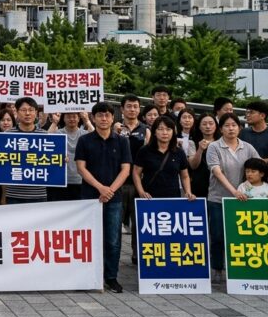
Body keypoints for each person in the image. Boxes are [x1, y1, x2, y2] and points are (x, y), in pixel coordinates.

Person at [206, 112, 268, 284]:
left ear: (240, 128)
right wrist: (234, 191)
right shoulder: (214, 147)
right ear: (220, 129)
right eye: (227, 126)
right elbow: (217, 172)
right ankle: (217, 268)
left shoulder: (248, 147)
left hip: (245, 200)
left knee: (241, 236)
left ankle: (241, 268)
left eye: (234, 125)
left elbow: (262, 169)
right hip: (219, 198)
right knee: (218, 235)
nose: (231, 129)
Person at [75, 101, 132, 294]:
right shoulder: (85, 140)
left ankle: (111, 277)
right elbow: (81, 167)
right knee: (88, 238)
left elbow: (126, 169)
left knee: (113, 240)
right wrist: (100, 187)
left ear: (113, 117)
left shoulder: (122, 141)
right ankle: (88, 276)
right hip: (90, 197)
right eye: (100, 115)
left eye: (107, 115)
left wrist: (110, 190)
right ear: (93, 118)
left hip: (114, 199)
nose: (104, 118)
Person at [132, 115, 195, 200]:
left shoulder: (179, 152)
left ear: (173, 132)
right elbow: (136, 173)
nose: (165, 133)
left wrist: (188, 192)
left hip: (173, 198)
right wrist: (141, 192)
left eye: (168, 129)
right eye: (160, 129)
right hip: (149, 199)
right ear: (154, 132)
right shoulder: (145, 151)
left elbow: (185, 176)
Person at [1, 97, 47, 204]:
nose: (27, 113)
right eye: (23, 110)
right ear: (16, 112)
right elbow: (3, 165)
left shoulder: (45, 135)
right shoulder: (7, 136)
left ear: (36, 113)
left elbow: (51, 163)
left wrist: (61, 161)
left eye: (31, 110)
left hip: (38, 193)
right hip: (14, 193)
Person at [117, 95, 149, 238]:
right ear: (122, 109)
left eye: (135, 106)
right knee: (116, 221)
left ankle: (137, 255)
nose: (132, 109)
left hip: (139, 182)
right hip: (118, 181)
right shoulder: (115, 128)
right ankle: (114, 258)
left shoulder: (145, 130)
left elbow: (149, 154)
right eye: (129, 106)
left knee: (139, 222)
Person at [48, 111, 92, 201]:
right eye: (68, 117)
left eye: (74, 116)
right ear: (63, 119)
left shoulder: (84, 134)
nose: (72, 119)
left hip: (81, 179)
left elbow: (96, 136)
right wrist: (54, 122)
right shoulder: (58, 133)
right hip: (61, 180)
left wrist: (87, 120)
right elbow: (46, 139)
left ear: (79, 118)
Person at [186, 114, 216, 198]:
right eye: (204, 124)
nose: (208, 126)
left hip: (217, 183)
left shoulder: (222, 142)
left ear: (216, 126)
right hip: (199, 184)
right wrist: (200, 149)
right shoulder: (192, 142)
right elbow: (193, 165)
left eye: (211, 123)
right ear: (199, 126)